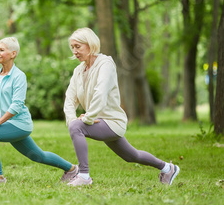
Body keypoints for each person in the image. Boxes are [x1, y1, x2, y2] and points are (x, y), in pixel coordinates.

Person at [64, 27, 180, 186]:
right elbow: (70, 99)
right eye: (72, 47)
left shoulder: (105, 64)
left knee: (77, 127)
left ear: (90, 45)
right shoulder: (78, 71)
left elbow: (101, 92)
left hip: (112, 122)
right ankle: (167, 168)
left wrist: (89, 118)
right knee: (132, 156)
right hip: (99, 121)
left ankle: (84, 176)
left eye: (78, 46)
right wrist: (71, 119)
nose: (75, 51)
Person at [0, 37, 77, 184]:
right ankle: (72, 169)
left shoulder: (19, 76)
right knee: (37, 156)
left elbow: (17, 105)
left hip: (19, 124)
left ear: (13, 54)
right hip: (7, 124)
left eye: (2, 50)